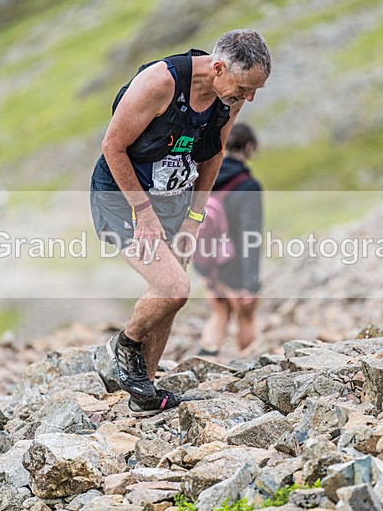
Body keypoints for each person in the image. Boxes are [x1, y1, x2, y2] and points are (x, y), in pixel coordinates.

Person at [90, 29, 270, 416]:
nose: (249, 98)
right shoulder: (158, 84)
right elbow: (112, 146)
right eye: (244, 88)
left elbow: (214, 154)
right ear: (218, 68)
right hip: (123, 200)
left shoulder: (227, 97)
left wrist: (193, 218)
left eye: (255, 91)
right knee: (174, 289)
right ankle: (122, 345)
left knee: (168, 297)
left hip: (175, 201)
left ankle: (145, 393)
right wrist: (144, 214)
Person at [195, 123, 262, 357]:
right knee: (246, 318)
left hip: (204, 259)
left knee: (220, 313)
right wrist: (251, 282)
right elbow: (250, 236)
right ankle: (249, 367)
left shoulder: (203, 177)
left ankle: (203, 362)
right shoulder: (247, 186)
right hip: (233, 265)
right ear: (249, 147)